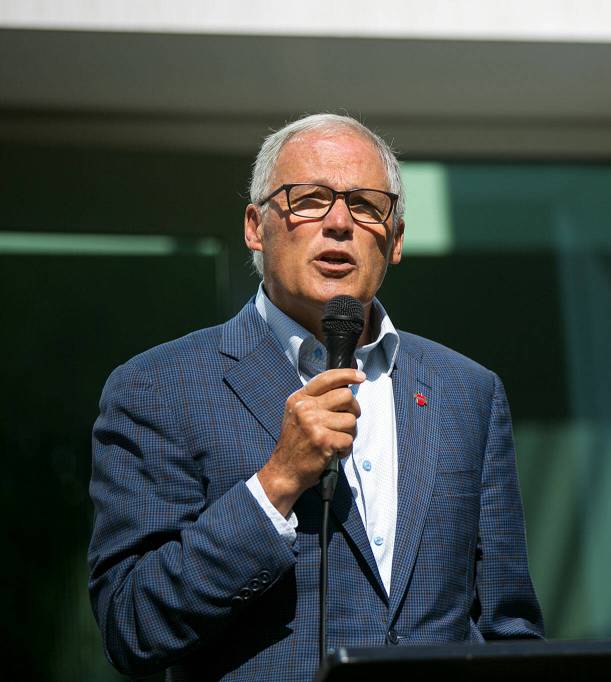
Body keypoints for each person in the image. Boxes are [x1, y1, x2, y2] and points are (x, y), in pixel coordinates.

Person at [88, 113, 544, 681]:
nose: (338, 223)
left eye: (365, 205)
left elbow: (509, 629)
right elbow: (131, 625)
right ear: (256, 227)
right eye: (308, 199)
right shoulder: (160, 387)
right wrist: (276, 481)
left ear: (395, 239)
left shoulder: (466, 392)